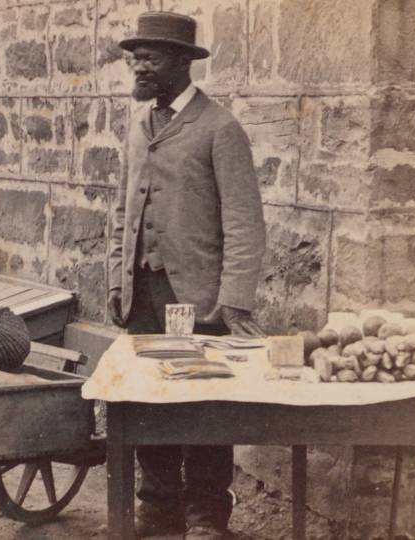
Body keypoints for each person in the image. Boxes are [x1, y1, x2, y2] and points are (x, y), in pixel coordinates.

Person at [106, 11, 267, 540]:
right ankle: (159, 508)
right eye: (136, 57)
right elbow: (122, 212)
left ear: (181, 62)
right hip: (144, 294)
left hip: (197, 297)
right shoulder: (138, 126)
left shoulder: (220, 128)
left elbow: (245, 221)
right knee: (148, 400)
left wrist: (235, 299)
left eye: (150, 57)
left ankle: (205, 517)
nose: (139, 66)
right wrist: (116, 281)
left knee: (203, 410)